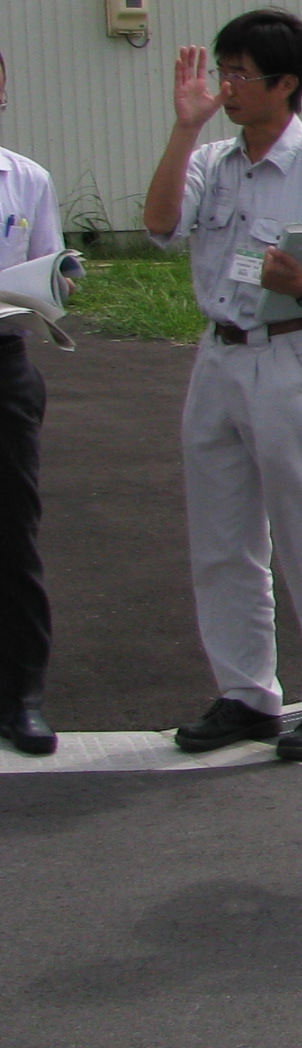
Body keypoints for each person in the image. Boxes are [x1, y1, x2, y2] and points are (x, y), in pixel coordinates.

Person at [144, 11, 302, 762]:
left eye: (240, 74)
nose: (226, 87)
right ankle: (246, 693)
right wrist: (184, 129)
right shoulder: (214, 160)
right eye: (221, 71)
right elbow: (158, 224)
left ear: (285, 84)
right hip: (218, 358)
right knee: (221, 537)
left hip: (288, 357)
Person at [0, 53, 63, 756]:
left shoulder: (28, 180)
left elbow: (49, 266)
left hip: (4, 359)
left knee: (13, 533)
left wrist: (56, 282)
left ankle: (23, 695)